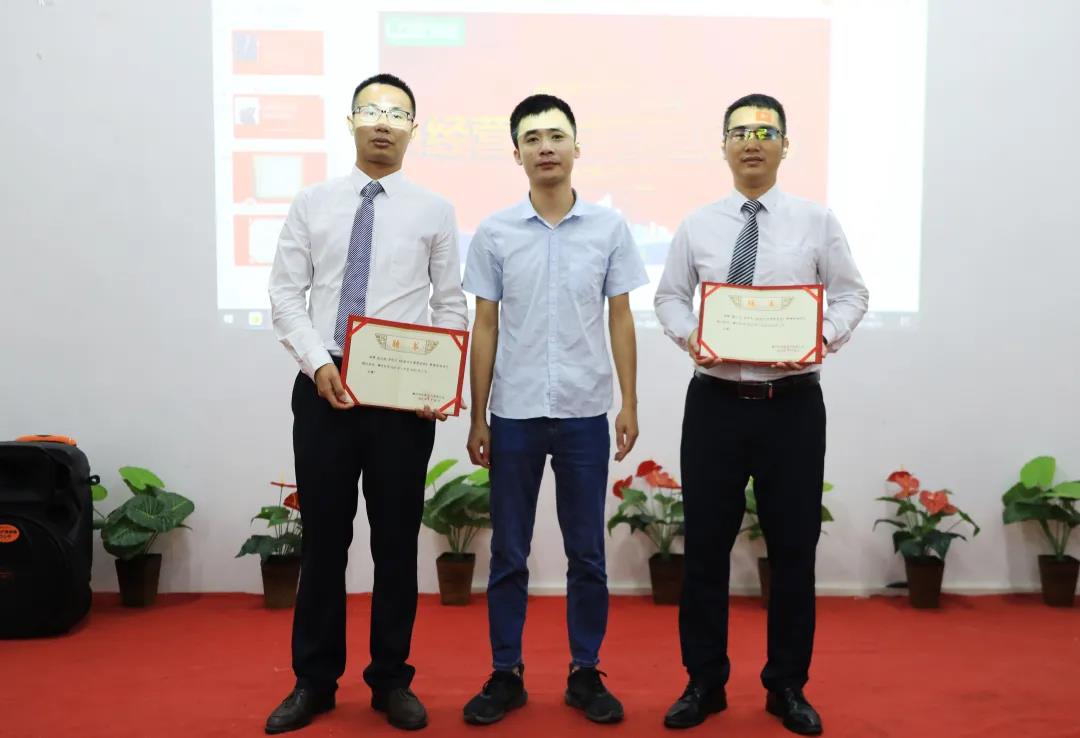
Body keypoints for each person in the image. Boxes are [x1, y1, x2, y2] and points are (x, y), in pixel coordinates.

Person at [654, 93, 869, 736]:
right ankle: (704, 682)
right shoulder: (697, 224)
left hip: (791, 407)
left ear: (784, 145)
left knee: (794, 550)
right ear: (723, 145)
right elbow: (669, 298)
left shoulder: (816, 220)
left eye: (765, 131)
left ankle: (787, 686)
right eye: (740, 131)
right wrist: (690, 335)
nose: (752, 141)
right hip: (715, 404)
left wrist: (817, 338)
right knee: (704, 551)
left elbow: (852, 293)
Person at [265, 73, 467, 734]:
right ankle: (314, 681)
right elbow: (286, 294)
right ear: (351, 121)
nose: (383, 122)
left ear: (414, 129)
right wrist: (317, 362)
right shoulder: (313, 202)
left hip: (401, 400)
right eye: (372, 111)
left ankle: (390, 680)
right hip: (324, 387)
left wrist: (440, 381)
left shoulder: (434, 210)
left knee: (395, 544)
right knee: (324, 540)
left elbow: (449, 304)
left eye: (397, 114)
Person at [460, 94, 647, 726]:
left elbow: (620, 317)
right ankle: (505, 673)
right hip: (513, 412)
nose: (546, 147)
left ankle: (585, 672)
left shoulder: (609, 229)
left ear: (576, 147)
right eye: (532, 138)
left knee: (586, 552)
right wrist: (478, 416)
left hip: (585, 411)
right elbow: (485, 325)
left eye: (556, 135)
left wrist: (629, 402)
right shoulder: (495, 232)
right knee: (508, 551)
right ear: (516, 153)